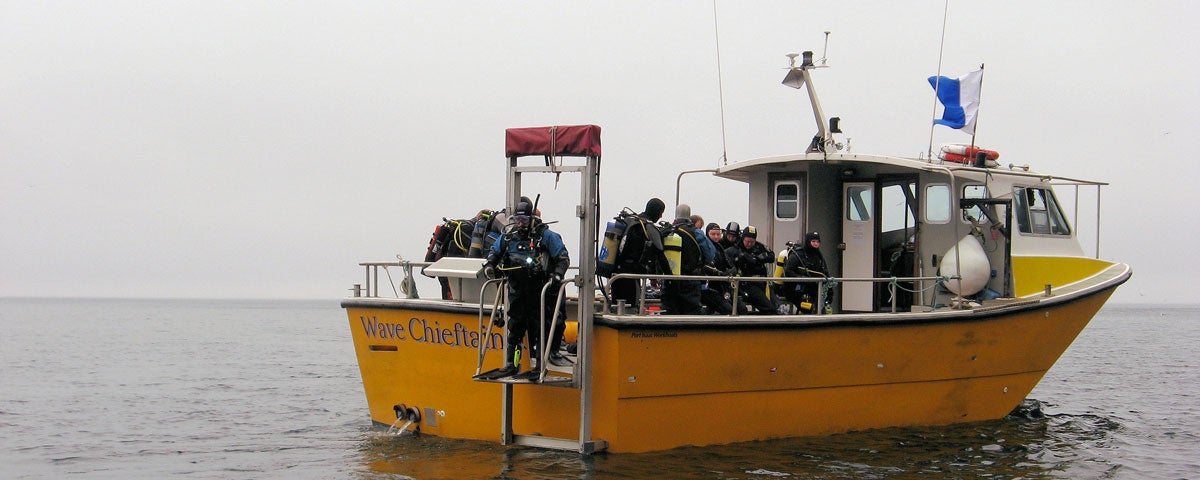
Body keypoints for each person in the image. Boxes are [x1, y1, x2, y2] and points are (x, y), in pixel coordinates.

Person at [477, 200, 571, 380]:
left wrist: (557, 275)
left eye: (524, 220)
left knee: (539, 327)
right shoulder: (509, 236)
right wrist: (490, 266)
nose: (520, 224)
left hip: (538, 290)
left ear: (532, 219)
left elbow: (563, 258)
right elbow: (494, 254)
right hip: (517, 289)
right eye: (517, 220)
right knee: (516, 327)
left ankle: (539, 366)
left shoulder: (545, 236)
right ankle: (513, 363)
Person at [611, 198, 669, 308]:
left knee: (616, 306)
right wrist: (671, 277)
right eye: (661, 213)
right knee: (631, 306)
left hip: (616, 273)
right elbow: (660, 254)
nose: (661, 216)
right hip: (632, 275)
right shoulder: (648, 226)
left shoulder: (630, 221)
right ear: (657, 211)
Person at [661, 204, 715, 315]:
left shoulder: (667, 231)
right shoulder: (696, 232)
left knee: (669, 313)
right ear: (689, 216)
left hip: (669, 279)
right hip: (690, 280)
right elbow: (710, 254)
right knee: (691, 313)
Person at [724, 225, 776, 314]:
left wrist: (758, 259)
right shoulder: (734, 250)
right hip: (747, 284)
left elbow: (771, 256)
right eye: (747, 241)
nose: (749, 244)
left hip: (762, 282)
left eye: (752, 242)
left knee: (775, 307)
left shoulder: (759, 247)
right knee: (769, 308)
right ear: (743, 238)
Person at [782, 231, 830, 313]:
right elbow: (788, 271)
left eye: (818, 242)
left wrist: (829, 285)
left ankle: (820, 310)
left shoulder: (818, 255)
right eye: (813, 241)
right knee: (797, 298)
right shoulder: (798, 254)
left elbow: (824, 271)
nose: (816, 244)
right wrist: (800, 278)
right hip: (795, 286)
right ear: (808, 242)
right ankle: (810, 309)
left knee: (822, 294)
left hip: (812, 285)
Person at [700, 222, 738, 315]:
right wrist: (719, 273)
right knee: (728, 310)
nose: (716, 237)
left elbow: (729, 264)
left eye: (718, 234)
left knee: (740, 308)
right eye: (713, 234)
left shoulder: (719, 247)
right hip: (708, 287)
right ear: (707, 234)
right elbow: (703, 266)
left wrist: (731, 271)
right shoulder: (704, 248)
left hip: (721, 285)